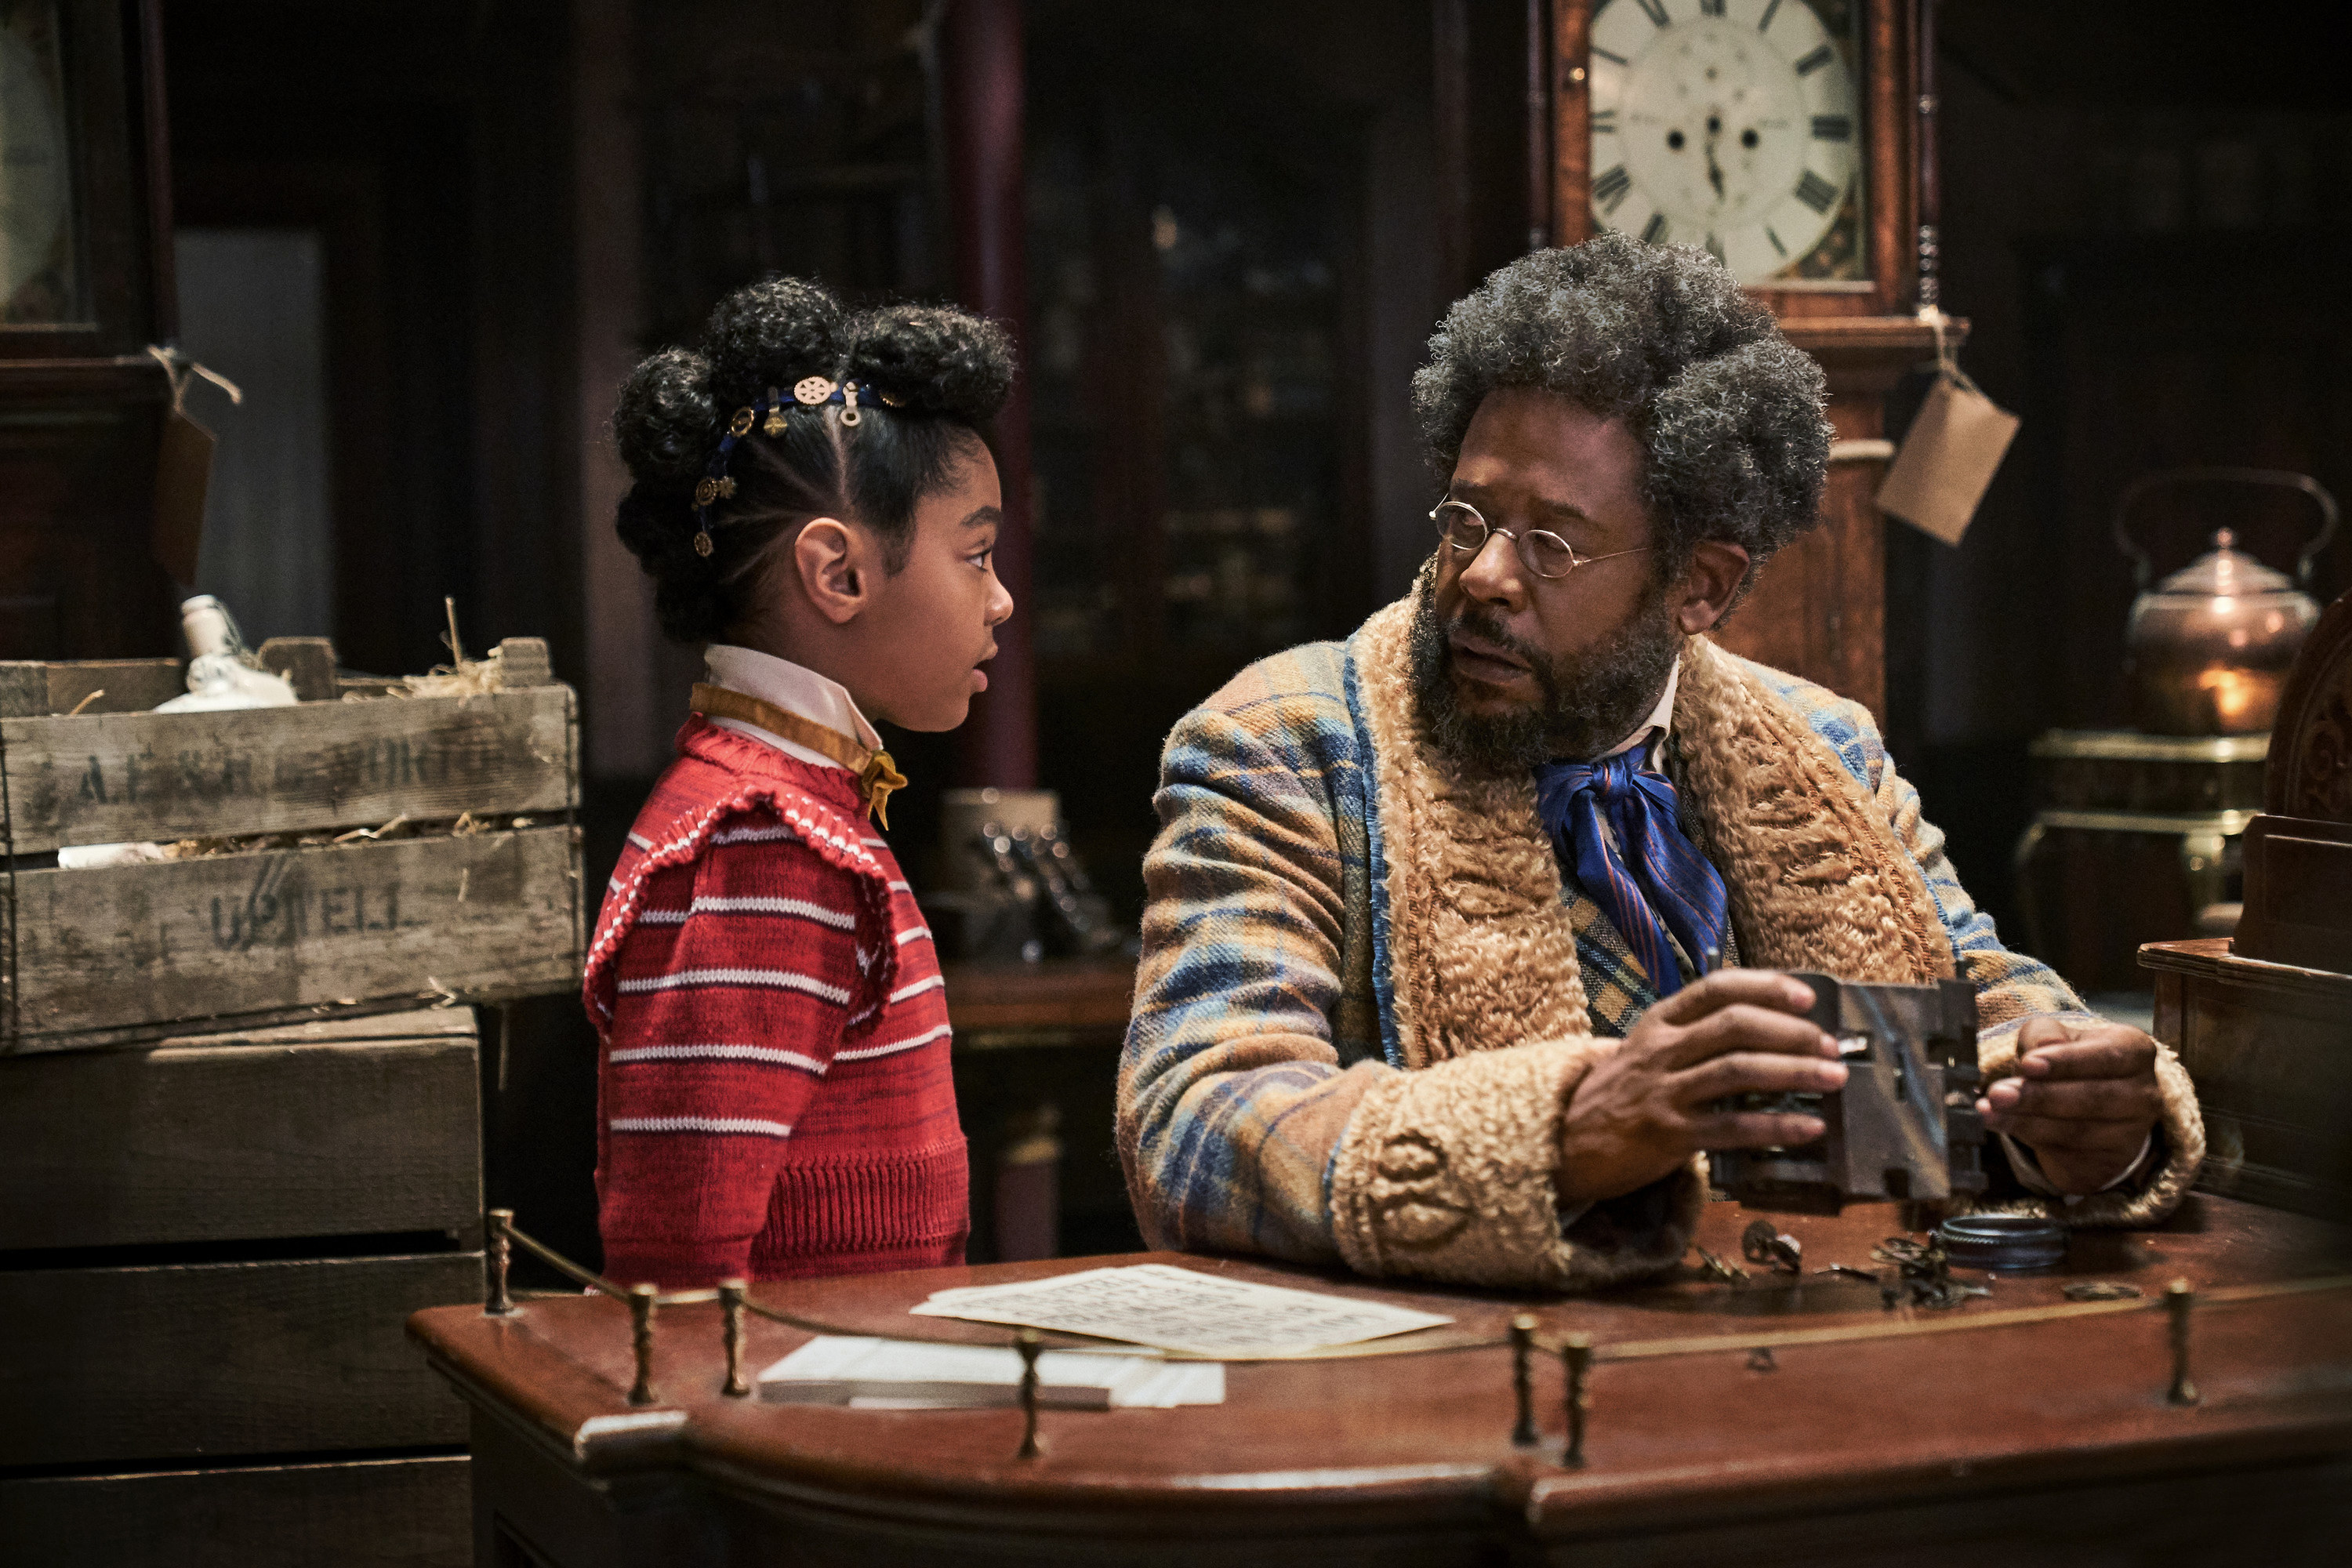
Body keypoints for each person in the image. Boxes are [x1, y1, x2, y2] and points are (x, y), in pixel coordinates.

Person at [1118, 237, 2202, 1290]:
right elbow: (1193, 1129)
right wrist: (1563, 1134)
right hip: (1473, 1403)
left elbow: (1990, 1013)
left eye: (1552, 541)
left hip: (1822, 1367)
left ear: (1703, 587)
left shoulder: (1826, 747)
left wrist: (2084, 1118)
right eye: (1469, 517)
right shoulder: (1287, 740)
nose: (1485, 574)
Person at [586, 278, 1015, 1287]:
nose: (1000, 600)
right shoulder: (760, 837)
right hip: (791, 1417)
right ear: (839, 574)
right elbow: (679, 1270)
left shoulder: (796, 803)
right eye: (978, 554)